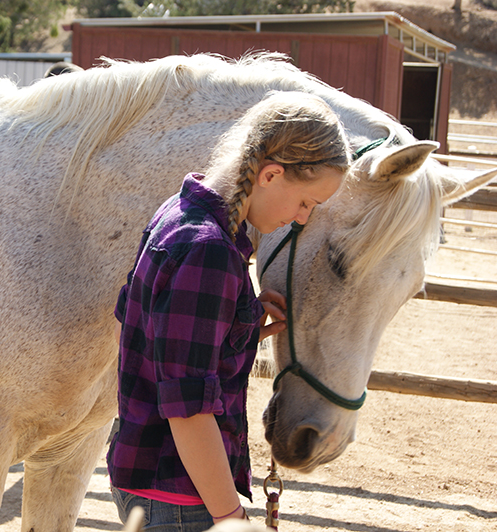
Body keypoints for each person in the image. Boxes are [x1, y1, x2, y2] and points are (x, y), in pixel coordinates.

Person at [108, 91, 351, 530]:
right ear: (271, 174)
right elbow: (188, 408)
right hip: (180, 488)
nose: (301, 219)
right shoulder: (210, 251)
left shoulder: (180, 213)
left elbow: (149, 331)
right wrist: (230, 516)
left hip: (147, 470)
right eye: (305, 202)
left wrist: (240, 325)